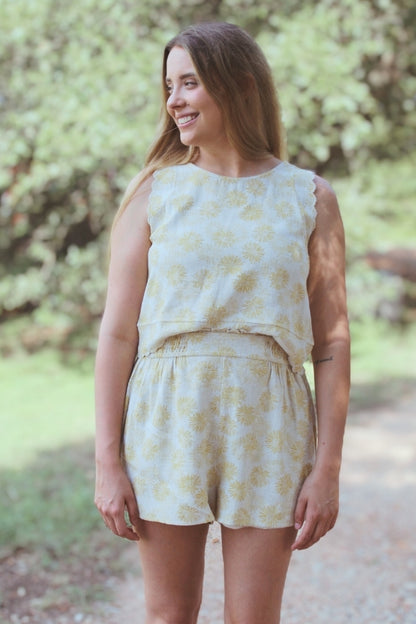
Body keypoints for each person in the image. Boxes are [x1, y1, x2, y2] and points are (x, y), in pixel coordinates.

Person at [94, 21, 350, 624]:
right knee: (169, 616)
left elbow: (333, 343)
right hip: (167, 415)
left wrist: (328, 468)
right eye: (168, 86)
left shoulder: (309, 196)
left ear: (237, 84)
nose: (174, 100)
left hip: (271, 419)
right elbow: (117, 333)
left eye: (189, 82)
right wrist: (108, 462)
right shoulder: (156, 193)